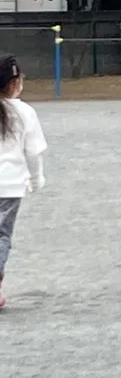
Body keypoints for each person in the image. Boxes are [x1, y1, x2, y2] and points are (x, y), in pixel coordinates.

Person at [0, 54, 47, 310]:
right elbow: (33, 152)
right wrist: (36, 178)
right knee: (2, 235)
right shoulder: (25, 112)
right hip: (9, 185)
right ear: (15, 82)